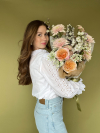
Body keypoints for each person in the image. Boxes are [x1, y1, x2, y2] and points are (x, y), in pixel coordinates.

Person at [17, 20, 85, 133]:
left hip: (43, 110)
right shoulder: (44, 58)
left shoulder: (35, 56)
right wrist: (77, 83)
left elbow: (54, 80)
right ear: (30, 38)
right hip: (50, 113)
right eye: (39, 35)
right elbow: (66, 92)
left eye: (46, 34)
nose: (44, 38)